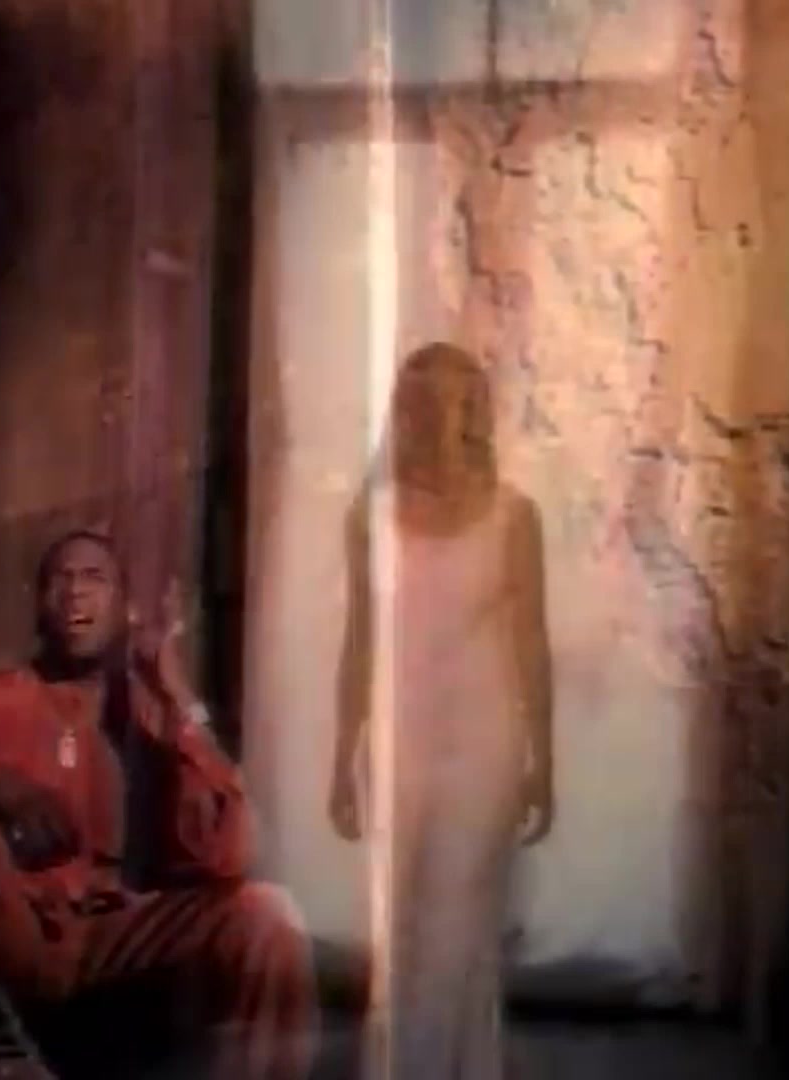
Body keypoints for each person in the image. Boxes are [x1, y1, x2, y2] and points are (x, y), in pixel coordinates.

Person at [0, 529, 318, 1079]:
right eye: (61, 578)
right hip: (16, 931)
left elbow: (229, 854)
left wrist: (177, 698)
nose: (75, 591)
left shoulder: (151, 722)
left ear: (124, 609)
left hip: (112, 937)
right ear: (39, 606)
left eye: (94, 578)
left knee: (266, 916)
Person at [330, 342, 555, 1079]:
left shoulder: (514, 517)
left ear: (476, 413)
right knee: (403, 920)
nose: (439, 418)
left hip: (484, 741)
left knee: (454, 917)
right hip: (400, 739)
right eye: (423, 402)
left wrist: (544, 761)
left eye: (457, 401)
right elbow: (360, 639)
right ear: (405, 412)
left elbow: (532, 644)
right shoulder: (372, 517)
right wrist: (341, 756)